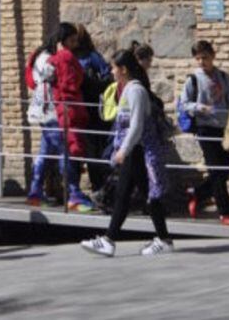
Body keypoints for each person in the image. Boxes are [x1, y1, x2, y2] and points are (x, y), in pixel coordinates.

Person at [80, 48, 172, 258]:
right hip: (135, 151)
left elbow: (137, 125)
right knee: (129, 194)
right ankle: (111, 240)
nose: (111, 72)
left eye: (113, 68)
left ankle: (158, 238)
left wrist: (123, 150)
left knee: (144, 195)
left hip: (141, 151)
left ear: (123, 69)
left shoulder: (136, 91)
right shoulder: (128, 89)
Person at [181, 39, 229, 225]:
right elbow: (184, 104)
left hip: (224, 129)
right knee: (216, 169)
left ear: (213, 56)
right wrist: (199, 107)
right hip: (205, 128)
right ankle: (226, 212)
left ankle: (197, 193)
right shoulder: (193, 79)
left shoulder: (223, 77)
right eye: (197, 58)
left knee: (227, 168)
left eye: (204, 58)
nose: (201, 62)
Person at [48, 22, 95, 211]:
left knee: (68, 151)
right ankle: (73, 194)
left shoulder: (57, 58)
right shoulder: (65, 57)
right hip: (69, 107)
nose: (76, 43)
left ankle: (73, 193)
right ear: (64, 40)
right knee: (71, 151)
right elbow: (69, 83)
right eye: (73, 40)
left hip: (65, 108)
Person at [25, 33, 62, 206]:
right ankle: (70, 192)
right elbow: (54, 77)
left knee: (45, 150)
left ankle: (36, 191)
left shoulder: (41, 56)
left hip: (44, 106)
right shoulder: (47, 58)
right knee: (58, 150)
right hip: (48, 107)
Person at [76, 25, 112, 192]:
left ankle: (98, 187)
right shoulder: (67, 56)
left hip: (90, 110)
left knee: (93, 150)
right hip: (73, 109)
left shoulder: (92, 57)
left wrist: (91, 84)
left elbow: (107, 77)